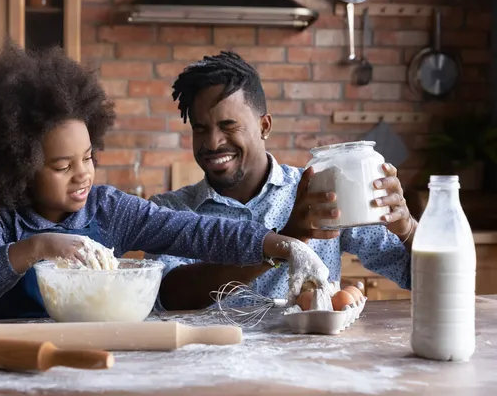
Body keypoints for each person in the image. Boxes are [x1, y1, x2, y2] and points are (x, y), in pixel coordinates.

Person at [0, 43, 320, 320]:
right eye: (62, 166)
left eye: (88, 157)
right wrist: (38, 246)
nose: (83, 174)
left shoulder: (109, 210)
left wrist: (281, 245)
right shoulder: (1, 220)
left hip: (102, 361)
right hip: (19, 364)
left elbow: (198, 231)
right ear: (19, 167)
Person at [148, 51, 417, 311]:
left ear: (264, 126)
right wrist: (284, 242)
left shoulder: (319, 194)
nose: (212, 142)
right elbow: (168, 296)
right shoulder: (170, 211)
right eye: (200, 128)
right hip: (205, 356)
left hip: (306, 358)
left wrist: (406, 229)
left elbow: (416, 276)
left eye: (228, 126)